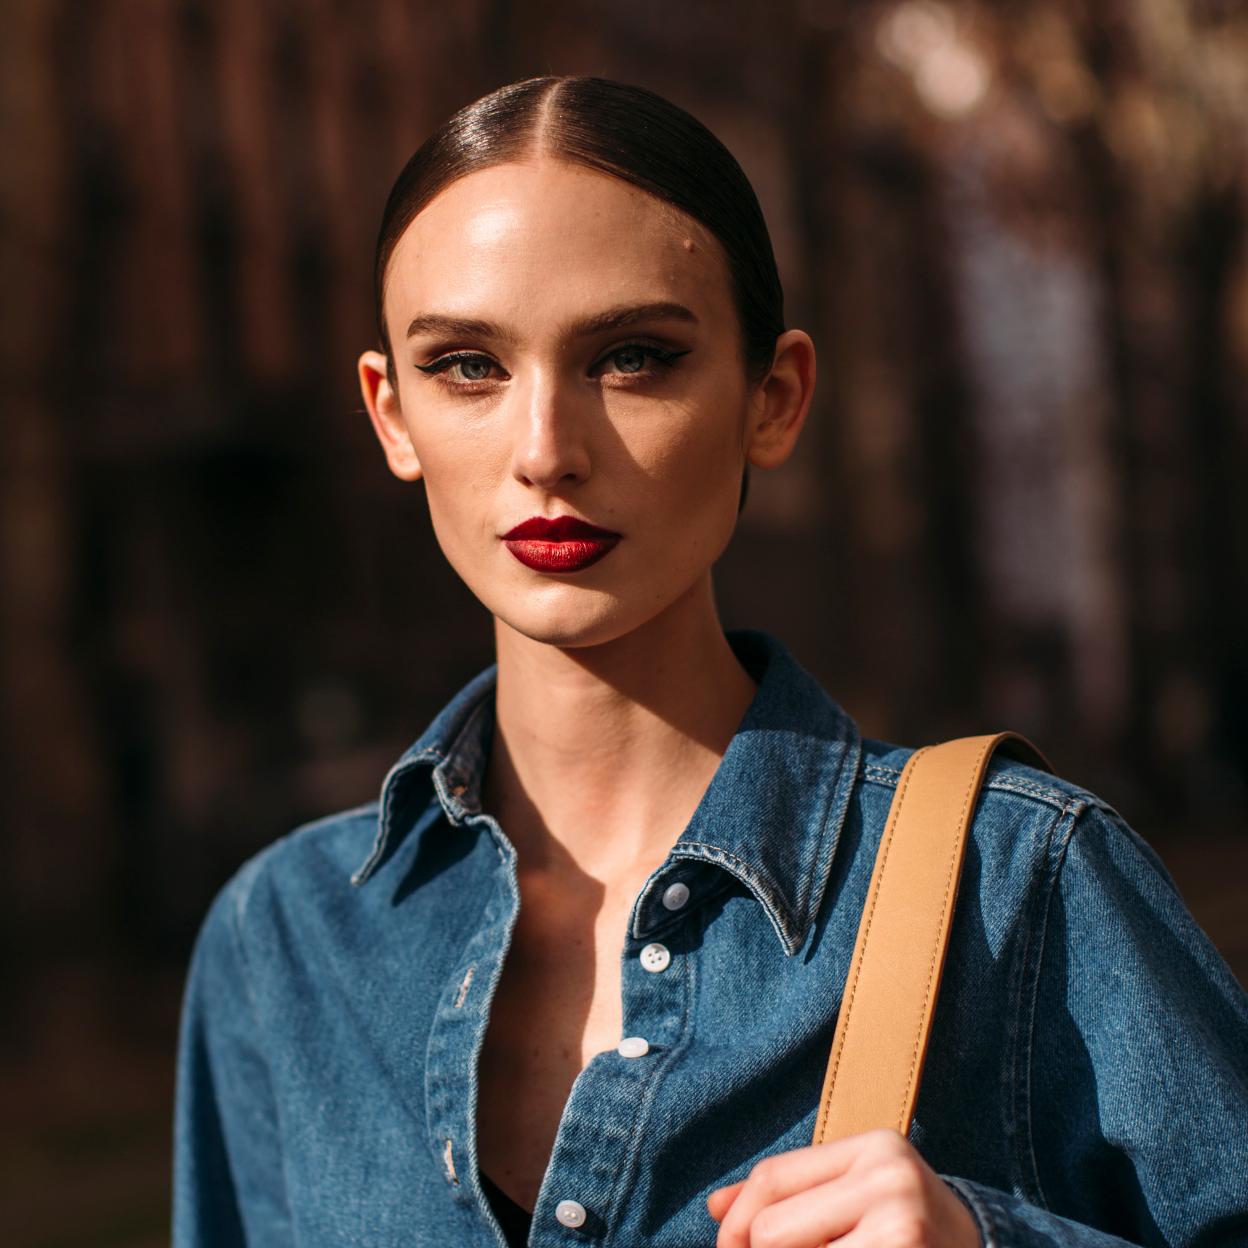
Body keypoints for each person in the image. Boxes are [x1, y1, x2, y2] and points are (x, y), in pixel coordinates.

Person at [172, 75, 1248, 1248]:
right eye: (468, 367)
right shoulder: (283, 942)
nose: (546, 451)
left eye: (633, 357)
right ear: (391, 415)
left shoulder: (1022, 883)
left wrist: (987, 1240)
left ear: (772, 399)